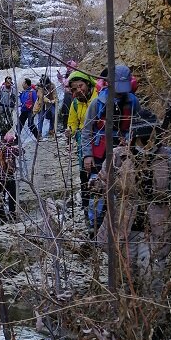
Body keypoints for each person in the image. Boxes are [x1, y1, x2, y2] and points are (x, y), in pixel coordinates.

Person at [93, 111, 171, 289]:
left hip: (155, 229)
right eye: (143, 137)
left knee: (152, 276)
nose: (147, 142)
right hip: (124, 227)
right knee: (125, 276)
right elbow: (102, 181)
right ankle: (127, 313)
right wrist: (97, 185)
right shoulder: (119, 156)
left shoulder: (168, 157)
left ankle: (152, 313)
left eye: (151, 136)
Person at [81, 65, 141, 176]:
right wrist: (87, 155)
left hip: (124, 150)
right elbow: (86, 130)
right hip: (100, 152)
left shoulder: (133, 102)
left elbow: (138, 127)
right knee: (97, 184)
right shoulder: (97, 103)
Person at [65, 70, 98, 225]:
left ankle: (99, 210)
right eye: (74, 89)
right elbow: (72, 123)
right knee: (84, 176)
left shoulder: (99, 98)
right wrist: (69, 131)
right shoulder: (76, 104)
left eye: (80, 86)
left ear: (88, 84)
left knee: (98, 174)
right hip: (82, 144)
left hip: (99, 141)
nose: (78, 90)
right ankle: (87, 209)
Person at [57, 59, 78, 131]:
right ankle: (65, 126)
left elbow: (67, 83)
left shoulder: (74, 73)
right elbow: (64, 84)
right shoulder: (68, 73)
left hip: (72, 94)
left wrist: (61, 79)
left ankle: (72, 126)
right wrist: (61, 79)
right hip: (67, 94)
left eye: (69, 66)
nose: (67, 67)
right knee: (66, 110)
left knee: (72, 109)